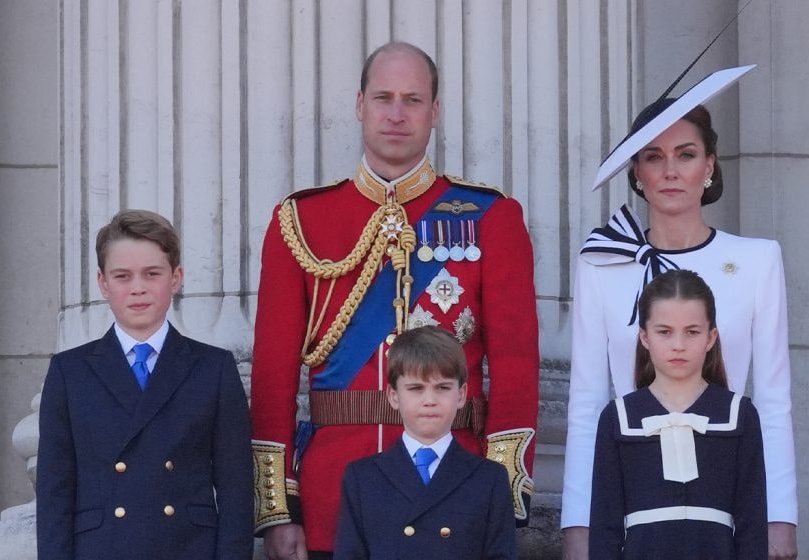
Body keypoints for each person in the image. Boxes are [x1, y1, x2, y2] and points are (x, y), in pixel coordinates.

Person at [251, 41, 539, 559]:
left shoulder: (491, 217)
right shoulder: (300, 221)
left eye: (413, 99)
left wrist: (499, 493)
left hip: (455, 494)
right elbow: (272, 377)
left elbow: (516, 369)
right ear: (360, 105)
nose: (397, 113)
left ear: (435, 111)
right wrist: (278, 508)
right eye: (384, 98)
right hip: (331, 497)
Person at [562, 92, 797, 558]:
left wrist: (780, 514)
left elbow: (772, 401)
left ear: (709, 165)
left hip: (726, 493)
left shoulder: (756, 260)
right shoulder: (602, 263)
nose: (670, 171)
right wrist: (578, 521)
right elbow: (587, 402)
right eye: (654, 157)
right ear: (636, 171)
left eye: (685, 155)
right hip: (635, 496)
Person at [36, 210, 255, 560]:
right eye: (122, 276)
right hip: (101, 550)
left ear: (176, 278)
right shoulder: (69, 372)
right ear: (103, 283)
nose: (137, 287)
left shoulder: (213, 369)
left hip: (188, 549)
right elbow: (54, 494)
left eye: (151, 274)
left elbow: (236, 490)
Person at [589, 269, 767, 559]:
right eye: (664, 332)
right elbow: (604, 527)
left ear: (711, 338)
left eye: (692, 332)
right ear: (645, 337)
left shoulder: (739, 414)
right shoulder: (618, 416)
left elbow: (752, 524)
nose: (679, 345)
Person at [333, 326, 516, 559]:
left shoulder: (490, 479)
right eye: (416, 389)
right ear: (393, 396)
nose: (430, 400)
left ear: (461, 395)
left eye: (442, 388)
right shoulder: (363, 477)